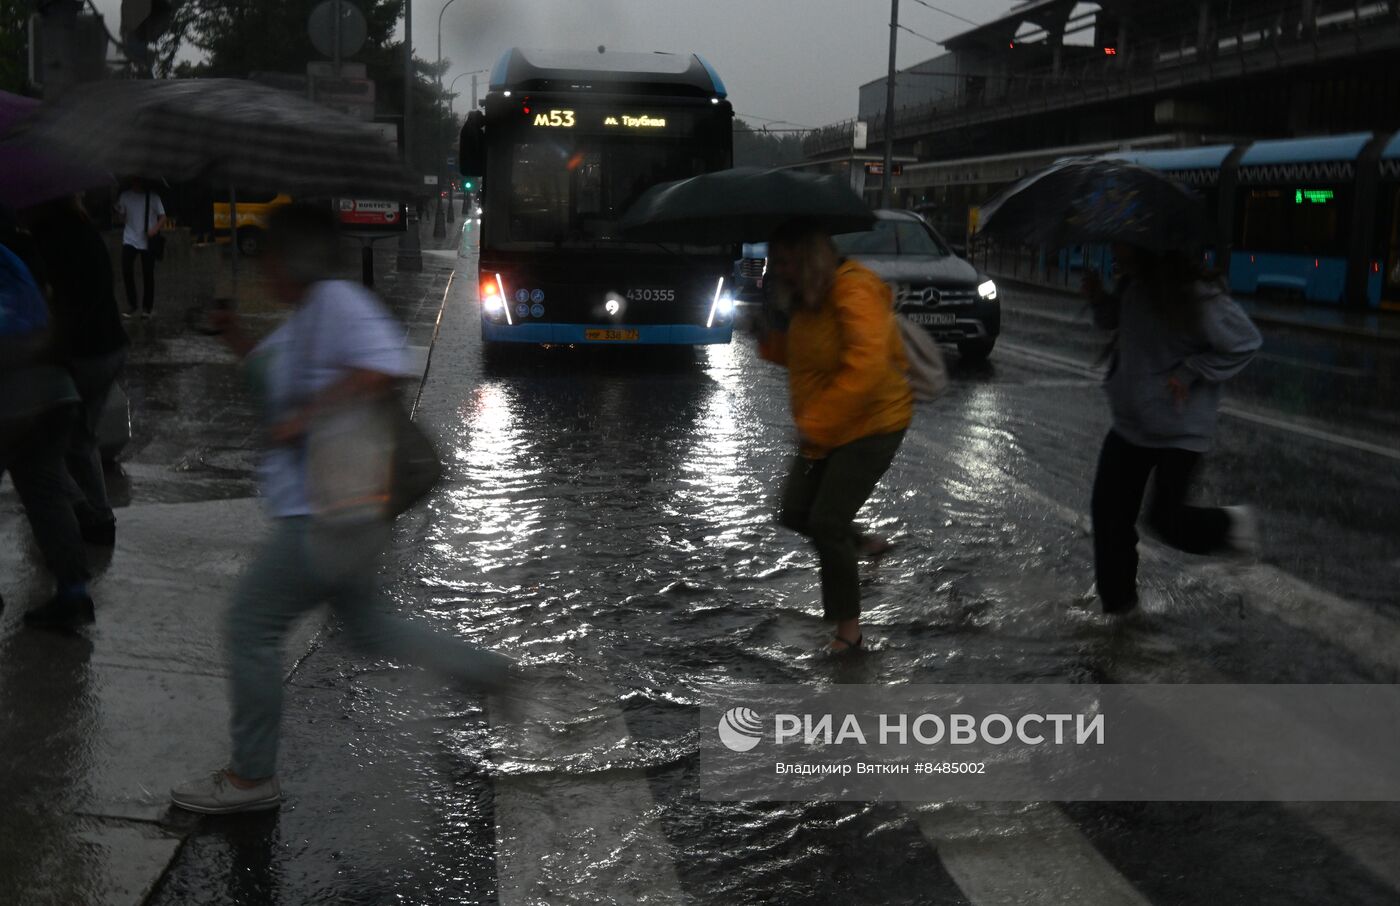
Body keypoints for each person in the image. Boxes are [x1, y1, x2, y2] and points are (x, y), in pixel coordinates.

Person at [170, 204, 513, 815]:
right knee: (370, 629)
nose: (265, 267)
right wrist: (231, 334)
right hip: (338, 514)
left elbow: (383, 367)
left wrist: (308, 415)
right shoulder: (305, 317)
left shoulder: (335, 303)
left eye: (271, 255)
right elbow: (272, 378)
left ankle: (251, 779)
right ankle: (486, 671)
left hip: (327, 511)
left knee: (250, 626)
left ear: (295, 258)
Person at [755, 220, 913, 653]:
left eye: (784, 261)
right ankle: (861, 542)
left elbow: (867, 367)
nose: (777, 270)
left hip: (873, 422)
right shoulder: (809, 298)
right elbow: (810, 359)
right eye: (774, 262)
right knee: (793, 510)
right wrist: (770, 340)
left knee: (825, 521)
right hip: (828, 425)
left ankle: (849, 632)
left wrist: (818, 423)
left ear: (807, 257)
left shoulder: (854, 289)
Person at [1083, 245, 1263, 615]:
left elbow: (1245, 341)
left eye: (1125, 244)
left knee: (1166, 521)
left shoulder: (1195, 294)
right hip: (1132, 425)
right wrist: (1098, 298)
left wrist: (1190, 371)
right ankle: (1120, 609)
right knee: (1108, 516)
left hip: (1180, 429)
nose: (1116, 252)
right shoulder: (1134, 286)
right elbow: (1117, 321)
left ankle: (1232, 526)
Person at [0, 215, 95, 628]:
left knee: (44, 494)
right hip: (55, 393)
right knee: (46, 496)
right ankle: (74, 596)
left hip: (11, 400)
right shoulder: (12, 256)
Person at [24, 197, 129, 546]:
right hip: (111, 347)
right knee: (81, 439)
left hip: (80, 355)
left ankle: (84, 509)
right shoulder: (86, 230)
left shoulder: (45, 239)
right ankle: (99, 516)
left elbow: (45, 299)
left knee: (37, 446)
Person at [114, 177, 166, 319]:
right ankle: (133, 304)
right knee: (126, 270)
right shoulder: (125, 196)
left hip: (147, 240)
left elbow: (162, 217)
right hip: (129, 238)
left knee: (148, 274)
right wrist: (119, 212)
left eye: (139, 180)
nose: (136, 182)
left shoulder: (153, 197)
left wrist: (154, 229)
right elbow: (121, 219)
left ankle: (147, 308)